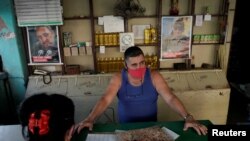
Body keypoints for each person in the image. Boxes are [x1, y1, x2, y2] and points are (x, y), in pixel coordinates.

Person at [76, 46, 208, 135]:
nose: (139, 67)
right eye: (134, 65)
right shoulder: (118, 78)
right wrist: (90, 119)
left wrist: (188, 117)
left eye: (142, 63)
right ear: (125, 65)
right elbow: (105, 99)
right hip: (125, 130)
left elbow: (170, 98)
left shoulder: (154, 76)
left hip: (151, 128)